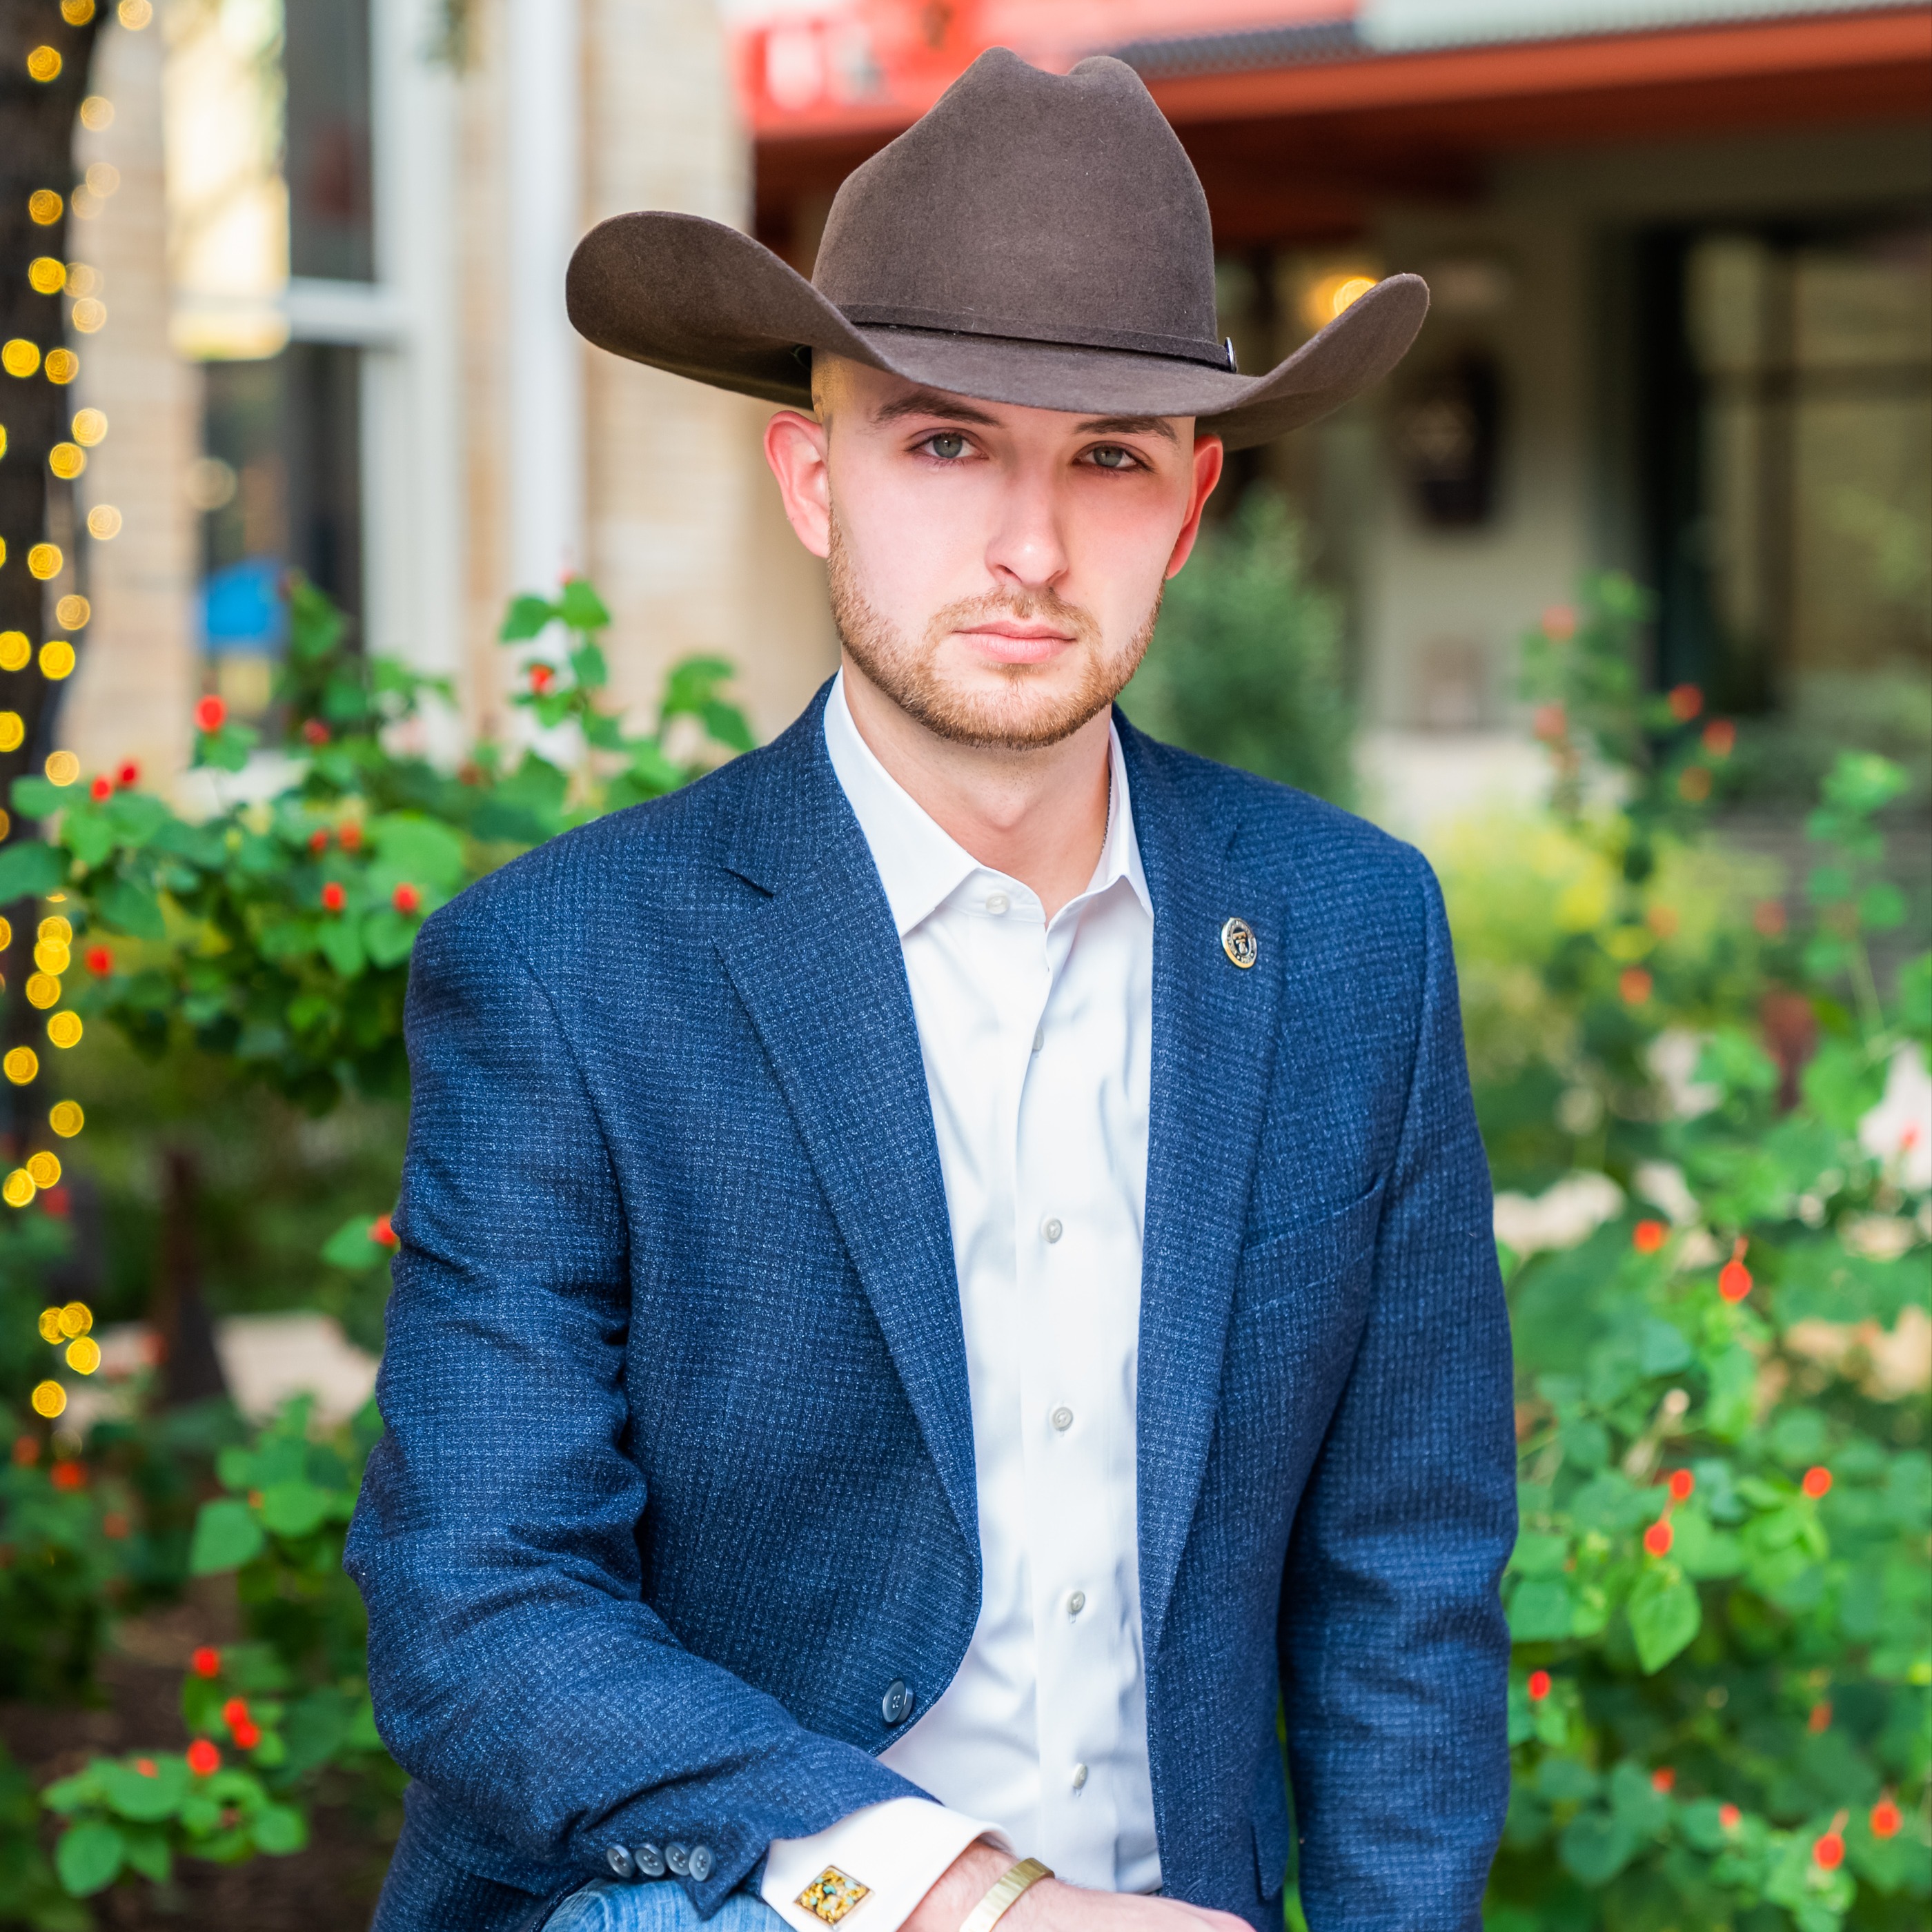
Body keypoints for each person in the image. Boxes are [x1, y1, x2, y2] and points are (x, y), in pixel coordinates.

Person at [346, 47, 1515, 1932]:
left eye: (1109, 461)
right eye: (947, 441)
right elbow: (479, 1614)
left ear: (1193, 506)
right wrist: (971, 1900)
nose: (1032, 550)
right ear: (811, 476)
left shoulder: (1351, 933)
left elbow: (1406, 1580)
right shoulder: (566, 966)